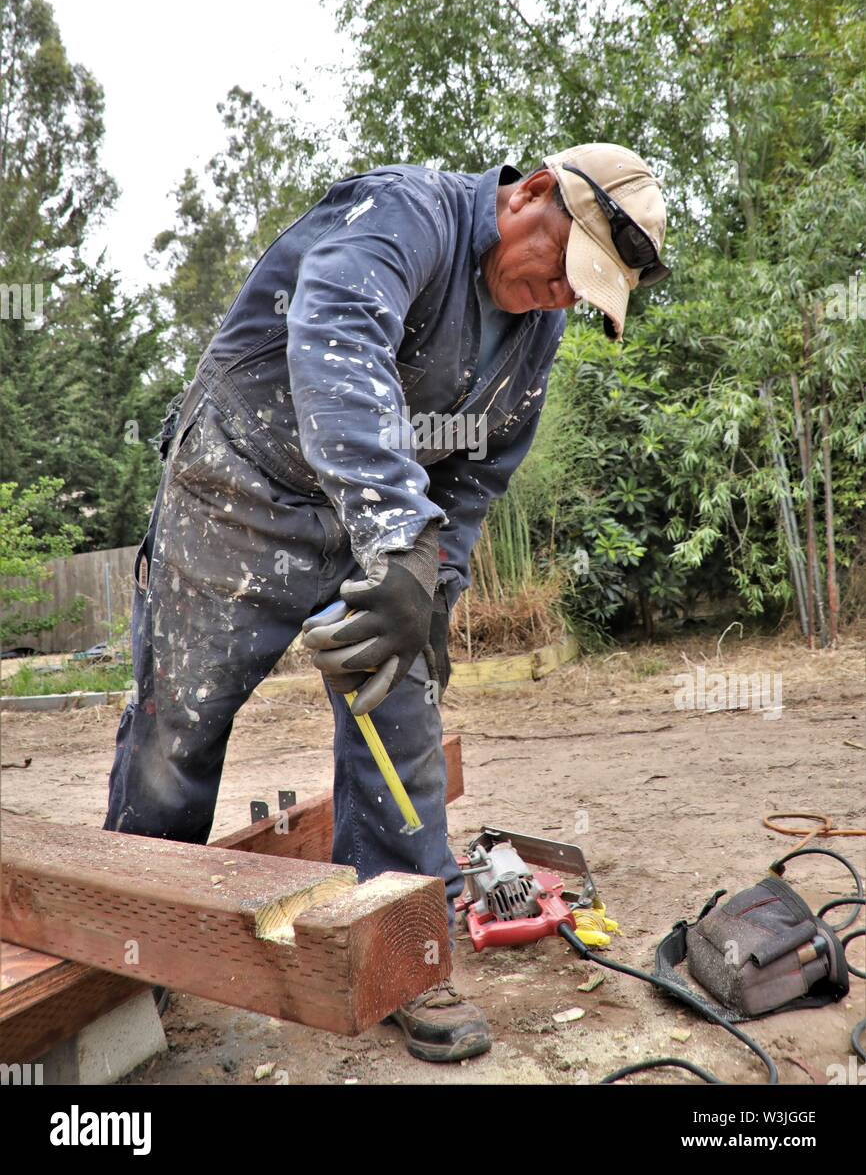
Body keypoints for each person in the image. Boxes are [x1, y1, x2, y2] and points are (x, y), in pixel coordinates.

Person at [104, 141, 668, 1062]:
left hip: (374, 519)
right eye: (565, 268)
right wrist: (398, 533)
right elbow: (335, 346)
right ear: (528, 196)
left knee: (400, 708)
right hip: (240, 494)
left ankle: (406, 951)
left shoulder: (538, 335)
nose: (563, 296)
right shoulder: (402, 217)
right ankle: (128, 949)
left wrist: (431, 590)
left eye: (584, 292)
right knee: (178, 731)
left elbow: (479, 476)